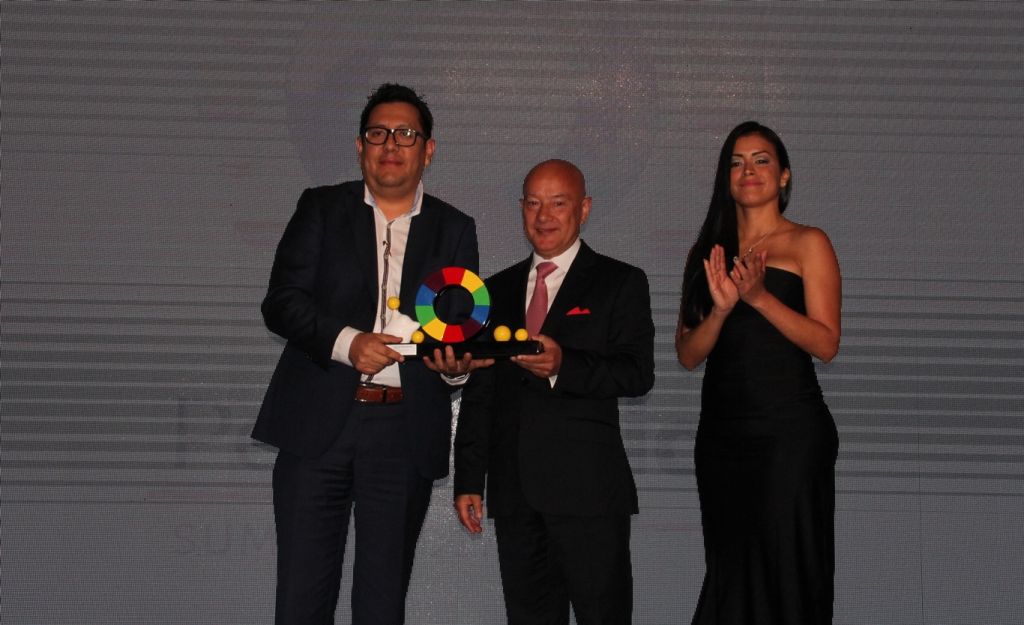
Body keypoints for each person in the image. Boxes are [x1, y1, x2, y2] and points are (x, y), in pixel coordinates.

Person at [252, 83, 479, 625]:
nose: (391, 144)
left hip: (403, 432)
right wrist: (348, 343)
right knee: (301, 601)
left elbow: (457, 325)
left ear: (428, 150)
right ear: (360, 147)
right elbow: (282, 303)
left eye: (406, 134)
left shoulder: (454, 228)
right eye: (378, 133)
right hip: (318, 426)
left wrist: (455, 372)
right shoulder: (321, 207)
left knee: (382, 605)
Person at [452, 159, 655, 625]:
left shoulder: (619, 281)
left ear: (583, 209)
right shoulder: (493, 291)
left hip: (590, 493)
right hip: (515, 493)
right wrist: (469, 479)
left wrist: (565, 367)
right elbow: (481, 394)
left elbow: (636, 373)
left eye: (558, 203)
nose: (543, 216)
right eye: (533, 203)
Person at [676, 121, 841, 624]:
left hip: (789, 434)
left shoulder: (808, 242)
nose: (748, 171)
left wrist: (760, 298)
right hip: (723, 438)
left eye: (761, 160)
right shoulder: (709, 252)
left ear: (784, 175)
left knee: (787, 570)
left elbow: (826, 343)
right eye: (736, 162)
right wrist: (723, 309)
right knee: (731, 574)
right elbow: (688, 354)